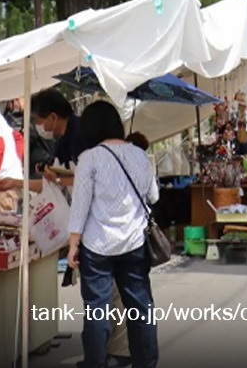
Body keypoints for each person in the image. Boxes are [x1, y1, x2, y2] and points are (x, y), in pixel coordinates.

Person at [67, 101, 159, 368]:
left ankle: (95, 362)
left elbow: (80, 205)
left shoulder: (89, 158)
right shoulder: (140, 155)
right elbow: (153, 195)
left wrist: (73, 244)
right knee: (141, 308)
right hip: (134, 243)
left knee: (97, 312)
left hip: (97, 247)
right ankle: (147, 363)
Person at [30, 88, 86, 170]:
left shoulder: (81, 134)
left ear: (53, 117)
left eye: (37, 120)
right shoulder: (62, 140)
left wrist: (58, 179)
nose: (36, 126)